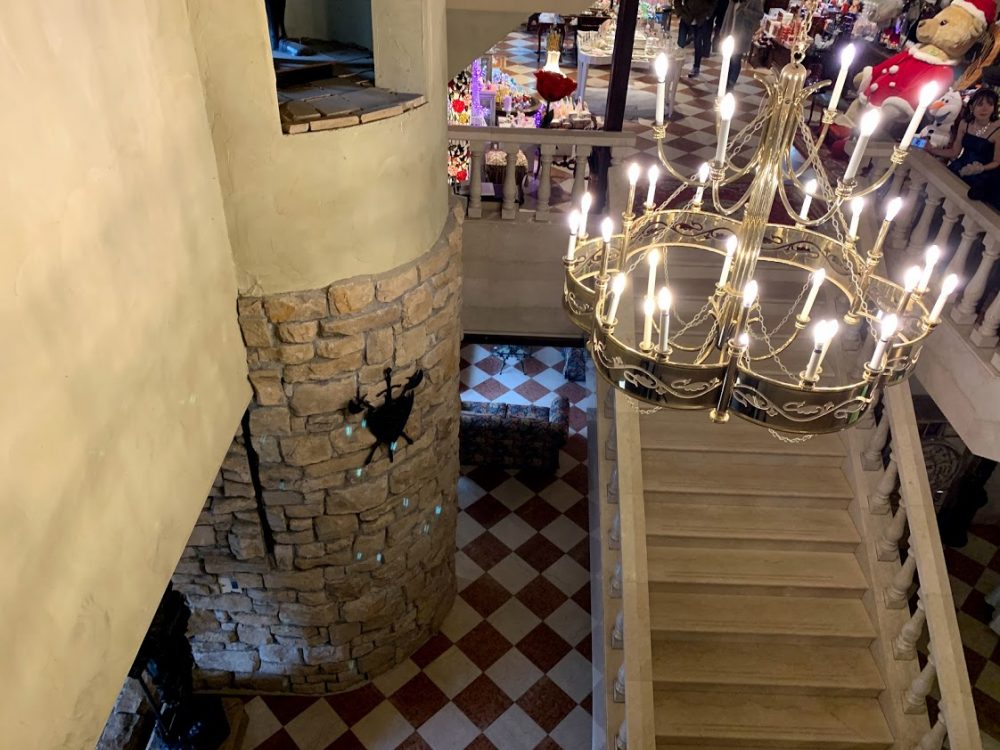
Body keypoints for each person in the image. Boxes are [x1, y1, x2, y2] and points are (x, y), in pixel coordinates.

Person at [927, 88, 1000, 209]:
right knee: (938, 196)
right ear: (971, 107)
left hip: (984, 174)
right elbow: (954, 152)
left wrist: (980, 168)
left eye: (990, 105)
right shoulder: (965, 123)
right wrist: (931, 149)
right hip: (961, 167)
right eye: (980, 104)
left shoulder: (997, 129)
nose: (985, 109)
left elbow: (997, 162)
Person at [720, 0, 766, 90]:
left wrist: (746, 11)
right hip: (729, 33)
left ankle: (731, 84)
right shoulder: (733, 1)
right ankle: (725, 82)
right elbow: (727, 15)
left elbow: (760, 15)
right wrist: (723, 31)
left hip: (742, 35)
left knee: (735, 59)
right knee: (727, 59)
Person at [677, 0, 717, 77]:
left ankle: (696, 67)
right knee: (680, 43)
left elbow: (714, 2)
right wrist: (679, 12)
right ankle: (676, 66)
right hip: (686, 15)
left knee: (698, 43)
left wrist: (708, 15)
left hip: (700, 17)